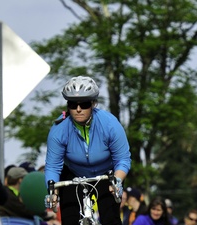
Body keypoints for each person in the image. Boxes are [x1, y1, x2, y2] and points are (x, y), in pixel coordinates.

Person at [44, 76, 131, 225]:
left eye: (84, 104)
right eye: (72, 105)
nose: (78, 109)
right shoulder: (59, 129)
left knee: (111, 218)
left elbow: (123, 159)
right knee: (70, 219)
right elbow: (53, 166)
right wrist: (53, 193)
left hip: (106, 173)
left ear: (93, 104)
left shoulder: (110, 124)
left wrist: (117, 180)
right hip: (73, 173)